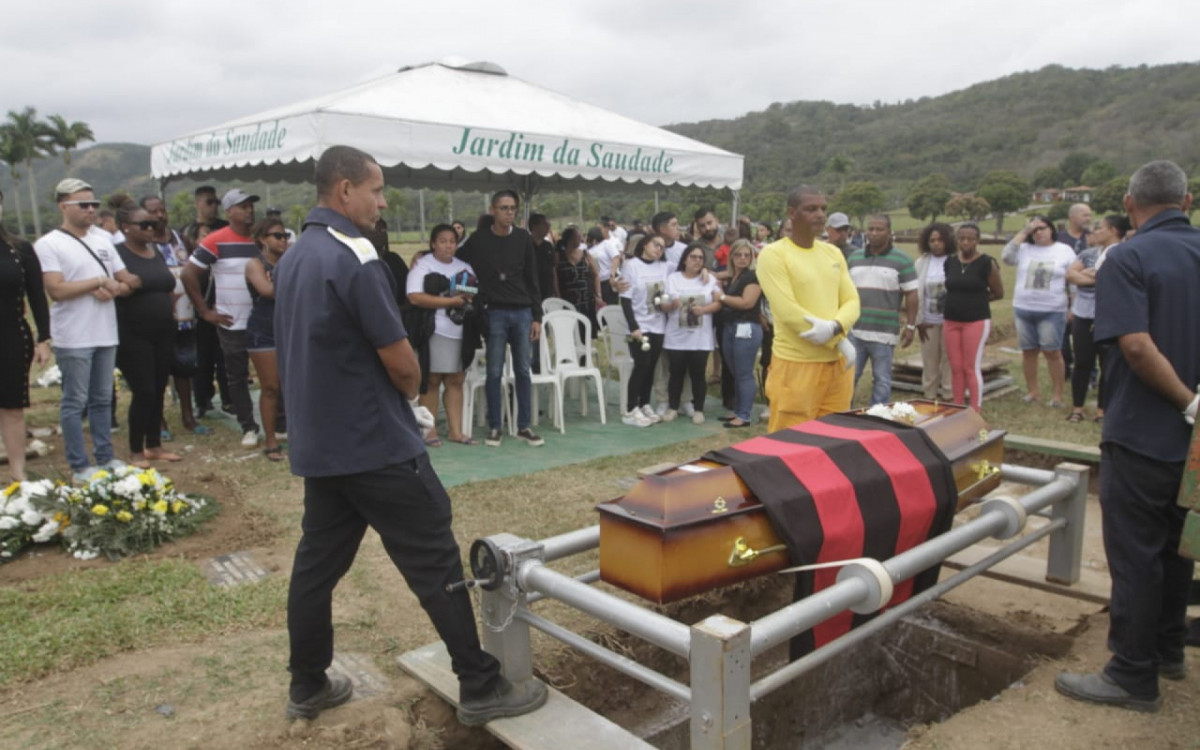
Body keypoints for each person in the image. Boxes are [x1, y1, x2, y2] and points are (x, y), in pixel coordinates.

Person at [274, 145, 546, 725]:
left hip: (323, 445)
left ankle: (307, 681)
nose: (382, 202)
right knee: (436, 561)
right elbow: (402, 363)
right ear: (344, 191)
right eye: (375, 191)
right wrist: (411, 392)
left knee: (316, 567)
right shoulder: (356, 256)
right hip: (373, 441)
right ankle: (480, 684)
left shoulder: (297, 254)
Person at [1055, 160, 1200, 714]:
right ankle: (1167, 647)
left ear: (1131, 204)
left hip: (1145, 429)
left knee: (1136, 553)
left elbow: (1136, 347)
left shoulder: (1129, 257)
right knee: (1175, 542)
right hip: (1192, 440)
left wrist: (1186, 403)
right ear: (1185, 203)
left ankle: (1132, 673)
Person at [34, 178, 141, 481]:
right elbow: (56, 289)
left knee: (102, 399)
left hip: (105, 331)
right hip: (74, 334)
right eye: (83, 204)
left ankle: (105, 457)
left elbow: (127, 279)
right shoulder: (48, 244)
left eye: (94, 204)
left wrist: (116, 288)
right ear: (63, 206)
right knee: (74, 400)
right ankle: (79, 463)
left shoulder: (103, 239)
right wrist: (97, 282)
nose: (91, 210)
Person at [756, 186, 859, 430]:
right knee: (790, 444)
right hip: (796, 365)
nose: (820, 215)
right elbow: (787, 312)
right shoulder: (773, 255)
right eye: (811, 209)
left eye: (823, 208)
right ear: (792, 213)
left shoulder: (833, 253)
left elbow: (852, 301)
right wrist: (838, 339)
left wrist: (836, 328)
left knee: (833, 440)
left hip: (837, 366)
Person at [456, 190, 544, 448]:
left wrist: (537, 317)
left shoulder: (523, 239)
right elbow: (458, 264)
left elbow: (533, 278)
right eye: (504, 208)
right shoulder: (479, 240)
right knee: (493, 371)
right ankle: (495, 427)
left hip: (523, 312)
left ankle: (524, 426)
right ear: (493, 210)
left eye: (512, 208)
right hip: (493, 312)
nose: (509, 213)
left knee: (523, 371)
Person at [182, 188, 262, 447]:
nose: (249, 210)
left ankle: (280, 422)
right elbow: (188, 274)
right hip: (232, 321)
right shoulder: (216, 240)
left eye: (250, 205)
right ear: (229, 212)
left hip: (263, 320)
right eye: (242, 206)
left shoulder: (261, 239)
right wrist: (205, 312)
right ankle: (248, 425)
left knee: (272, 375)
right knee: (237, 376)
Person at [113, 202, 182, 468]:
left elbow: (166, 285)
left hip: (163, 331)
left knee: (157, 387)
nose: (151, 228)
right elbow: (118, 287)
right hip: (133, 334)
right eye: (144, 224)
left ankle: (154, 444)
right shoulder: (118, 255)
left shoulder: (155, 252)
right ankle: (135, 450)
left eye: (153, 223)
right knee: (143, 390)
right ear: (126, 228)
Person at [406, 224, 479, 446]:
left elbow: (472, 295)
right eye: (443, 241)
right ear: (433, 244)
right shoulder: (422, 265)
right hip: (433, 330)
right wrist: (450, 301)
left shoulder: (465, 267)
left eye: (452, 241)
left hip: (459, 331)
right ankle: (430, 432)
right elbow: (414, 297)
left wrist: (463, 300)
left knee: (456, 380)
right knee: (433, 380)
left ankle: (456, 432)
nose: (448, 245)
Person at [0, 188, 51, 482]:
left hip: (11, 335)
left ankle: (18, 473)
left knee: (12, 405)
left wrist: (43, 338)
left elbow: (37, 296)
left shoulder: (19, 249)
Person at [1002, 214, 1076, 407]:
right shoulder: (1025, 249)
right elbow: (1006, 257)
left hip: (1052, 309)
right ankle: (1033, 392)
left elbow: (1073, 280)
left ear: (1051, 229)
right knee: (1029, 352)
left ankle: (1057, 395)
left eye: (1042, 228)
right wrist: (1024, 231)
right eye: (1035, 230)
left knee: (1052, 352)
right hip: (1024, 308)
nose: (1039, 232)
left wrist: (1073, 306)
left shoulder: (1064, 250)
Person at [846, 214, 918, 406]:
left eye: (880, 229)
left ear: (889, 232)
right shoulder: (854, 258)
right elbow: (844, 292)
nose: (874, 233)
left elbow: (911, 294)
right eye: (871, 229)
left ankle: (878, 417)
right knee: (848, 378)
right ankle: (844, 414)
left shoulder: (902, 260)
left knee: (882, 380)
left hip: (884, 334)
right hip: (855, 331)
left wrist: (911, 327)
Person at [1065, 215, 1130, 424]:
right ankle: (1077, 408)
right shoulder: (1088, 253)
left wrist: (1092, 276)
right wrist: (1095, 276)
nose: (1095, 231)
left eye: (1100, 228)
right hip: (1083, 315)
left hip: (1108, 316)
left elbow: (1114, 280)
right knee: (1082, 362)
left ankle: (1102, 410)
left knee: (1107, 364)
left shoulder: (1123, 254)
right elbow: (1071, 275)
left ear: (1113, 230)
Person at [943, 223, 1004, 411]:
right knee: (956, 366)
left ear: (977, 241)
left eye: (970, 239)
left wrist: (976, 301)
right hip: (951, 320)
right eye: (961, 238)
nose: (965, 242)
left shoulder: (987, 263)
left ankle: (975, 408)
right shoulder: (950, 262)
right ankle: (958, 406)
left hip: (976, 321)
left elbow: (998, 292)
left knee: (971, 367)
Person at [659, 244, 722, 424]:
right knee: (676, 373)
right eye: (693, 257)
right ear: (685, 259)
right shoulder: (673, 278)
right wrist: (672, 306)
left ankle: (698, 409)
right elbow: (662, 304)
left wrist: (704, 310)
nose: (697, 261)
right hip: (676, 336)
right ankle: (673, 408)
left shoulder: (709, 279)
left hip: (700, 337)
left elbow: (718, 302)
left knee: (698, 374)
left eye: (700, 258)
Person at [245, 218, 290, 461]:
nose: (283, 240)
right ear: (263, 239)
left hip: (288, 329)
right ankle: (271, 441)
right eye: (277, 236)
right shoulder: (254, 264)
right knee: (271, 387)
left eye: (285, 236)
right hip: (263, 332)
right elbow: (267, 291)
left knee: (292, 386)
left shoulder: (288, 262)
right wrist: (288, 281)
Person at [619, 234, 670, 427]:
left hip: (658, 324)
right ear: (645, 244)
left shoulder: (664, 266)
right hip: (639, 326)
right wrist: (633, 327)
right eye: (656, 244)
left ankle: (645, 403)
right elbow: (625, 299)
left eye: (662, 247)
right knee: (641, 365)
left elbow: (686, 268)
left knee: (651, 367)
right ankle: (631, 409)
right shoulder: (631, 265)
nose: (659, 249)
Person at [715, 240, 763, 427]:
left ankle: (744, 415)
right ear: (732, 256)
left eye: (746, 255)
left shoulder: (753, 276)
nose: (742, 258)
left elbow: (747, 303)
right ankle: (738, 410)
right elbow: (719, 273)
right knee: (736, 372)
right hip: (730, 326)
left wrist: (722, 297)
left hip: (747, 327)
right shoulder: (734, 275)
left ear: (752, 257)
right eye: (738, 255)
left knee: (744, 373)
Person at [914, 223, 955, 401]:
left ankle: (948, 396)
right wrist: (918, 321)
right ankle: (929, 397)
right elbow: (915, 293)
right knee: (930, 363)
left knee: (949, 362)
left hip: (951, 321)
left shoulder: (956, 260)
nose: (936, 244)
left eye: (940, 240)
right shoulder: (921, 263)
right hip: (928, 322)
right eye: (932, 240)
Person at [554, 227, 602, 336]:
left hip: (586, 299)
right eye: (577, 237)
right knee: (570, 332)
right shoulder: (558, 256)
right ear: (569, 239)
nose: (580, 239)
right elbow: (554, 277)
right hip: (568, 298)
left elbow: (596, 275)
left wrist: (598, 295)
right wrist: (558, 296)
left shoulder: (585, 254)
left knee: (586, 332)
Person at [526, 213, 559, 304]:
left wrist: (557, 292)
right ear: (534, 226)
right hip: (531, 291)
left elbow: (553, 270)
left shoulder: (548, 246)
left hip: (547, 291)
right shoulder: (526, 245)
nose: (547, 227)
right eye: (544, 224)